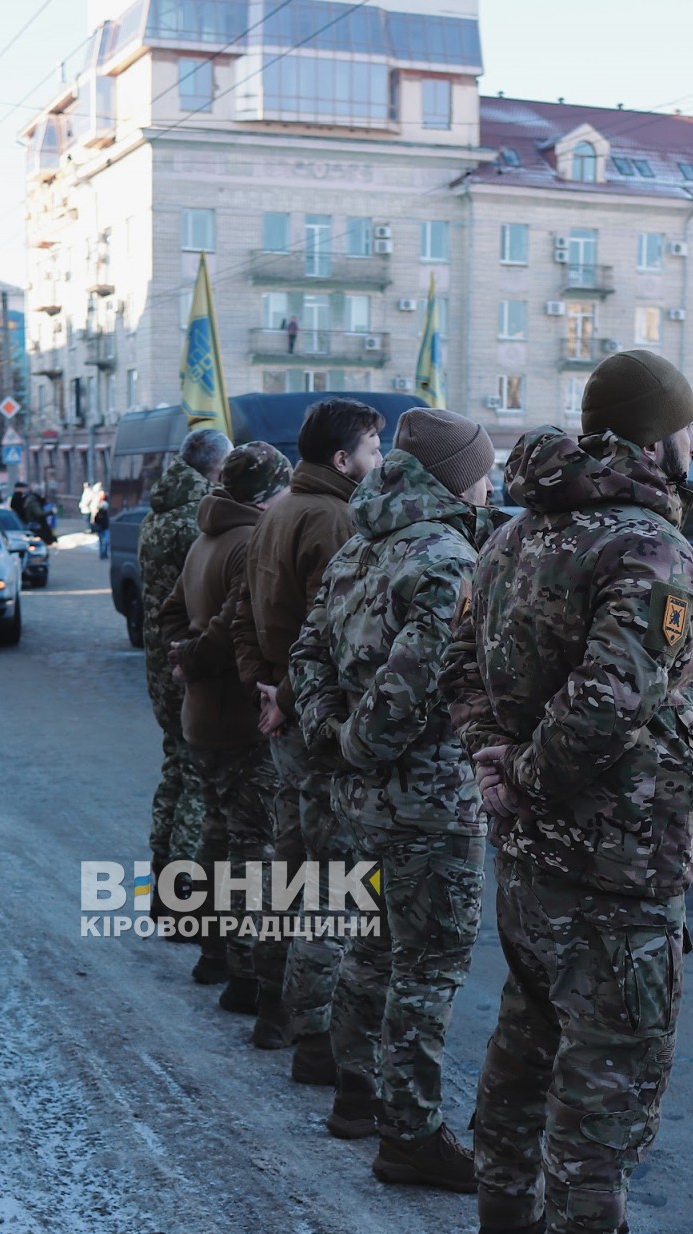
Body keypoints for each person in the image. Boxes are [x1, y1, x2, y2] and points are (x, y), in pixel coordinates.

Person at [450, 347, 693, 1234]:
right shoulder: (646, 548)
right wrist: (527, 777)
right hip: (614, 864)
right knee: (607, 1080)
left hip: (529, 859)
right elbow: (607, 704)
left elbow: (461, 669)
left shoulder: (512, 533)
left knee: (524, 1040)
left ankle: (504, 1224)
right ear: (655, 434)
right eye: (690, 426)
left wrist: (493, 765)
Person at [289, 407, 491, 1192]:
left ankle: (356, 1094)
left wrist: (330, 730)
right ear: (454, 477)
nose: (490, 484)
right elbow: (416, 684)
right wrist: (356, 743)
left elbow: (306, 652)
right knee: (427, 967)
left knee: (372, 949)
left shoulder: (363, 546)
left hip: (359, 799)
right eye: (482, 471)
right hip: (426, 803)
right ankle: (409, 1134)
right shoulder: (445, 557)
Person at [224, 397, 385, 1068]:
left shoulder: (280, 509)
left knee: (285, 864)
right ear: (344, 460)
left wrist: (263, 685)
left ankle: (271, 1004)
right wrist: (283, 696)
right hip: (314, 719)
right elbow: (333, 633)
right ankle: (314, 1036)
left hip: (285, 713)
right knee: (333, 884)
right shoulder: (336, 518)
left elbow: (243, 614)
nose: (380, 462)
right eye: (375, 450)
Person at [162, 442, 293, 1019]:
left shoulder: (204, 538)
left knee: (218, 833)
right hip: (239, 715)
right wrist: (194, 654)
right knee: (250, 847)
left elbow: (171, 615)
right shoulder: (248, 543)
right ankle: (244, 972)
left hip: (201, 715)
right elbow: (231, 626)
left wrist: (180, 655)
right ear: (266, 495)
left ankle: (212, 949)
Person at [140, 429, 228, 971]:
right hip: (185, 664)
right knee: (195, 780)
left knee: (175, 773)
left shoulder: (161, 509)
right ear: (214, 470)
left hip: (160, 662)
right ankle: (180, 905)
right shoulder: (195, 515)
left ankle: (163, 893)